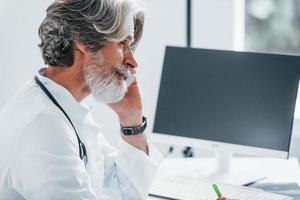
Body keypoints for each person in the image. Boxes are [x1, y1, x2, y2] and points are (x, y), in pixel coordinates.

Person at [0, 0, 163, 199]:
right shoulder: (45, 125)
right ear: (83, 41)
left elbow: (122, 191)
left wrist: (131, 120)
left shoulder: (68, 106)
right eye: (123, 44)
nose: (132, 61)